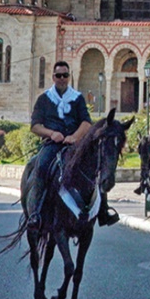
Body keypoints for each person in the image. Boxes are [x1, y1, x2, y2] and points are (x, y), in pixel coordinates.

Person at [27, 61, 119, 228]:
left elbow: (86, 122)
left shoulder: (77, 98)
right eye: (59, 75)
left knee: (94, 169)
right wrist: (52, 133)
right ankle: (36, 213)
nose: (62, 78)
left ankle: (103, 212)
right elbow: (35, 126)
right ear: (53, 77)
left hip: (75, 145)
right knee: (41, 167)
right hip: (52, 145)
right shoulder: (43, 99)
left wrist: (75, 137)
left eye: (65, 75)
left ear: (69, 77)